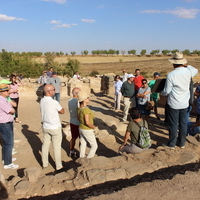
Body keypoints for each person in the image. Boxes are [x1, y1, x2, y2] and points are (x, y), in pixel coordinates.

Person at [162, 52, 198, 149]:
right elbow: (195, 69)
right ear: (182, 62)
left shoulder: (171, 75)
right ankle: (182, 143)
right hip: (184, 102)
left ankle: (172, 144)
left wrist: (162, 93)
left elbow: (167, 90)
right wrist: (186, 65)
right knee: (183, 123)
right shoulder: (188, 72)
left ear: (173, 63)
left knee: (173, 124)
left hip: (173, 103)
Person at [40, 84, 65, 170]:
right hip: (54, 127)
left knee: (45, 145)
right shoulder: (54, 102)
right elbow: (62, 111)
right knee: (56, 147)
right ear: (49, 91)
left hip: (46, 126)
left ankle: (45, 164)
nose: (55, 91)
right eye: (54, 89)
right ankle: (59, 166)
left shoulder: (42, 100)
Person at [0, 83, 19, 169]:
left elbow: (14, 106)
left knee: (5, 143)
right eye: (6, 90)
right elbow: (12, 110)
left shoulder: (4, 99)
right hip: (5, 124)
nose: (8, 92)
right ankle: (8, 163)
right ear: (1, 92)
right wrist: (13, 109)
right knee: (9, 143)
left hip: (6, 123)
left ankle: (6, 158)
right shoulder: (1, 101)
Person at [78, 90, 98, 158]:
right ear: (84, 99)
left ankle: (81, 157)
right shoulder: (86, 110)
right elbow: (87, 122)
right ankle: (89, 158)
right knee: (94, 146)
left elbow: (79, 119)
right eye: (88, 97)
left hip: (81, 128)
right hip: (87, 129)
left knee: (83, 143)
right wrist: (94, 127)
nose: (89, 99)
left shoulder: (79, 108)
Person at [68, 87, 81, 158]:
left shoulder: (70, 100)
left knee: (73, 137)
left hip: (72, 121)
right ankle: (81, 152)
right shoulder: (78, 101)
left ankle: (71, 151)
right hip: (78, 122)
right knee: (81, 138)